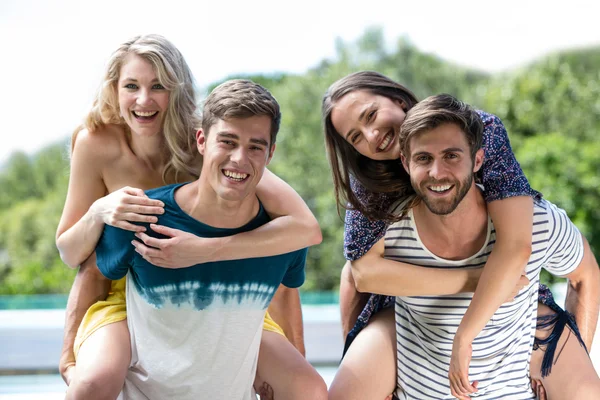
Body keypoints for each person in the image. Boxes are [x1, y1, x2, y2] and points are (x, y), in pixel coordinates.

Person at [55, 35, 324, 400]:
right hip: (128, 288)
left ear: (177, 92)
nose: (144, 100)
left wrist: (203, 249)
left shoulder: (216, 146)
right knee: (94, 380)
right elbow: (77, 256)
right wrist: (99, 211)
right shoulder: (95, 142)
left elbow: (303, 232)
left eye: (159, 87)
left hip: (219, 286)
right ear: (114, 89)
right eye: (131, 86)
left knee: (306, 387)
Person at [321, 72, 600, 399]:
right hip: (406, 293)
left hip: (505, 281)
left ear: (399, 100)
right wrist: (470, 279)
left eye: (370, 115)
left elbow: (516, 245)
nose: (372, 135)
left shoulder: (479, 129)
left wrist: (560, 360)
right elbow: (360, 275)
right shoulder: (369, 178)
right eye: (356, 136)